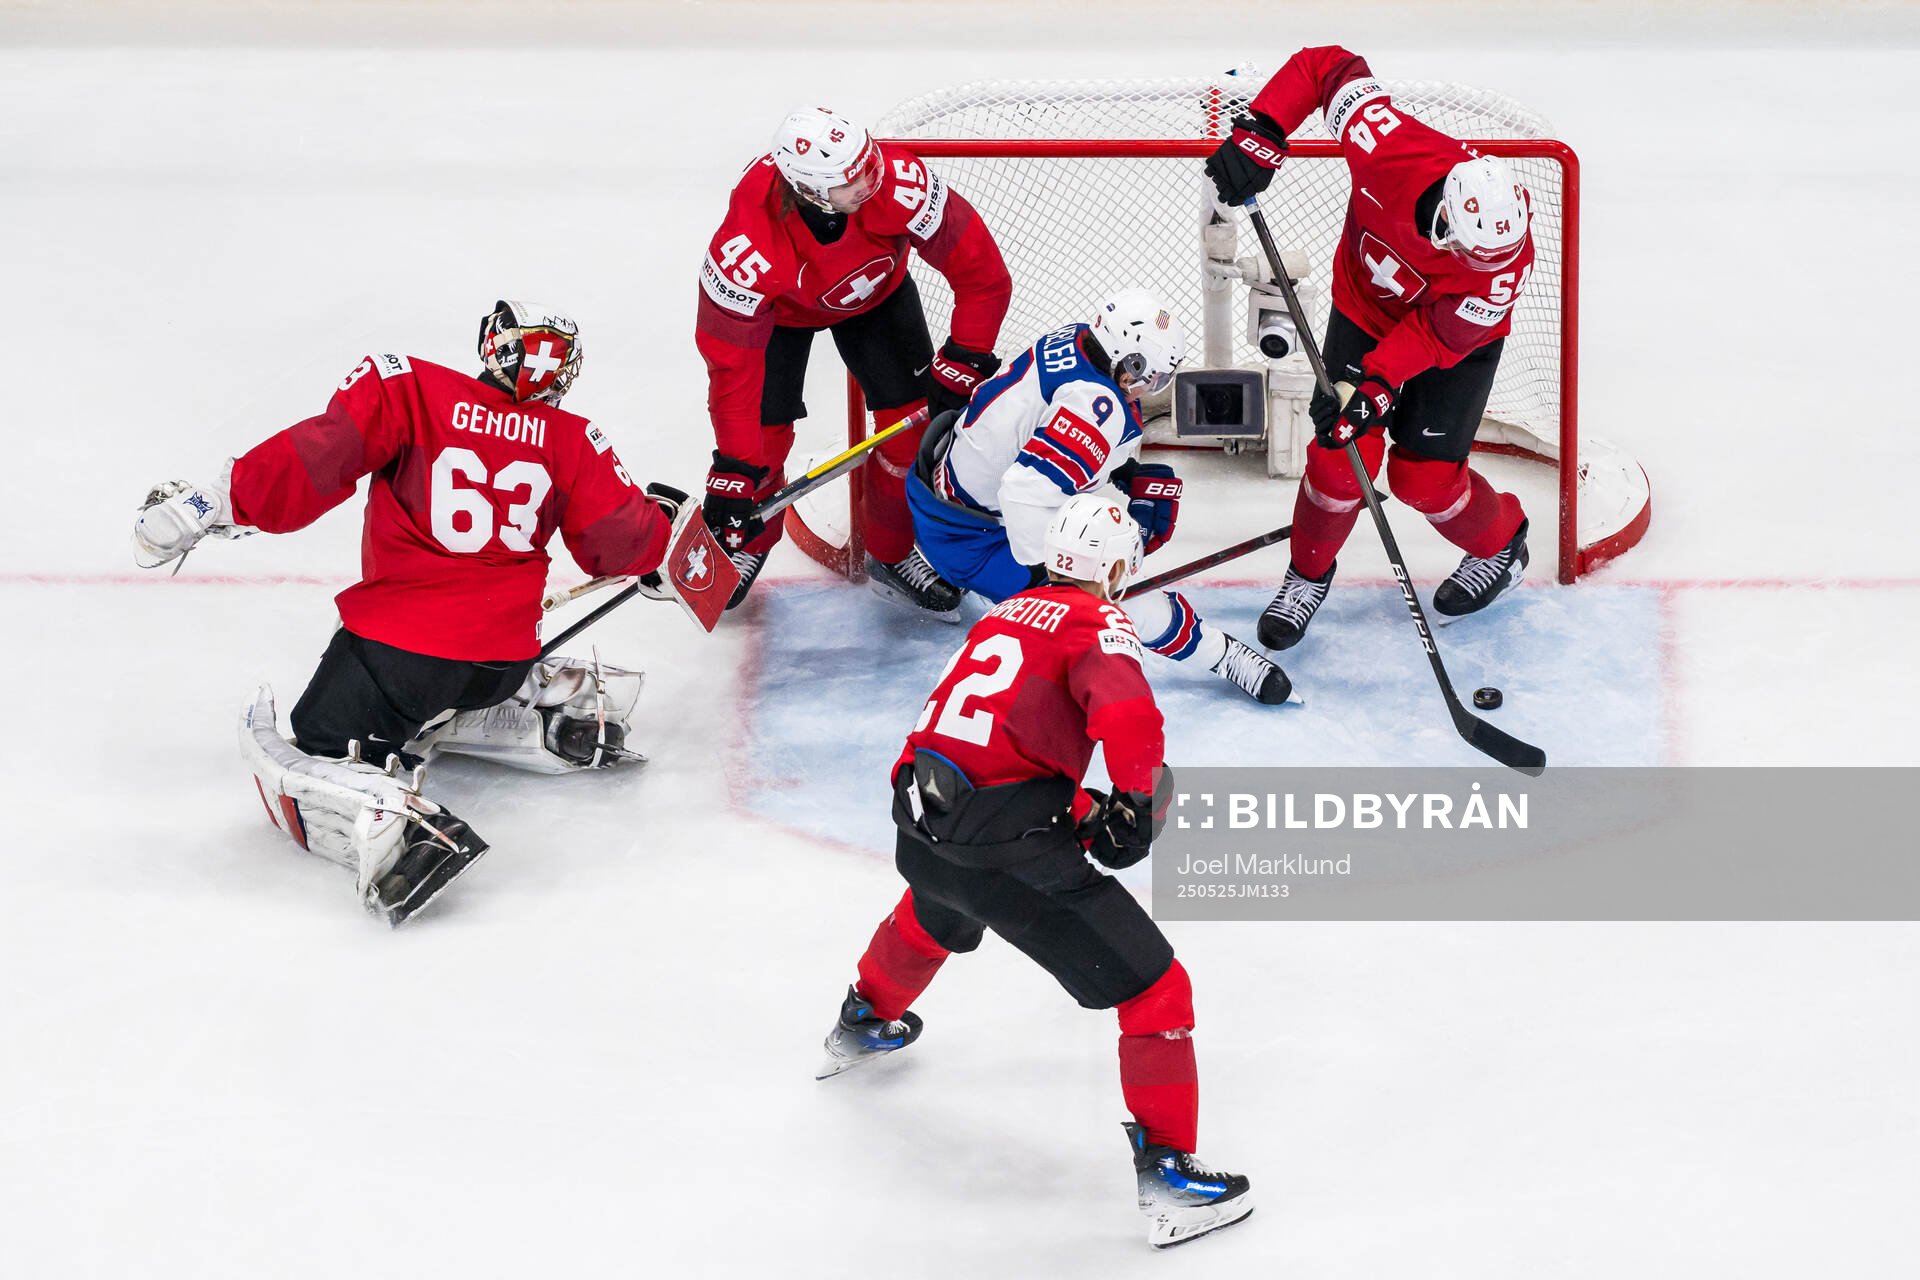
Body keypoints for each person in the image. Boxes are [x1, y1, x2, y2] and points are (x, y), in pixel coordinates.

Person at [132, 300, 684, 925]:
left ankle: (400, 825)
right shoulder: (573, 438)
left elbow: (320, 456)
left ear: (493, 346)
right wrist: (661, 524)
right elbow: (619, 546)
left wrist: (215, 501)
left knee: (323, 736)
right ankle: (528, 706)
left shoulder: (410, 389)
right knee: (439, 679)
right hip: (501, 659)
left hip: (399, 654)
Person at [815, 493, 1254, 1249]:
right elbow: (1132, 725)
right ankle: (1171, 1178)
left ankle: (862, 1020)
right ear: (1115, 570)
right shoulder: (1101, 622)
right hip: (1002, 853)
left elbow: (968, 732)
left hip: (920, 821)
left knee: (936, 905)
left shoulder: (1001, 616)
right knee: (1156, 989)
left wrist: (1076, 807)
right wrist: (1137, 811)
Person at [1205, 45, 1537, 647]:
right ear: (1443, 225)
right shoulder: (1390, 145)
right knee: (1338, 457)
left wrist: (1375, 385)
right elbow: (1326, 65)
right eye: (1465, 253)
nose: (1479, 265)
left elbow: (1438, 333)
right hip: (1365, 308)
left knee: (1423, 481)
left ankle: (1503, 545)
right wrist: (1265, 130)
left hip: (1455, 341)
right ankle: (1307, 573)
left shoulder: (1501, 266)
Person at [695, 105, 1013, 619]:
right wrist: (733, 469)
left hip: (878, 297)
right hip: (780, 317)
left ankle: (890, 553)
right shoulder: (745, 247)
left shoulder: (898, 182)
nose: (873, 180)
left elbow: (983, 274)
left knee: (910, 437)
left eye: (870, 164)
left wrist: (966, 355)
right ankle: (750, 540)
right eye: (853, 181)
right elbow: (730, 368)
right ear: (810, 191)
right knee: (760, 439)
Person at [907, 287, 1290, 703]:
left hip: (947, 491)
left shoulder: (1079, 339)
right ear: (1132, 361)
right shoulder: (1097, 403)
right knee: (1118, 596)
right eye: (1152, 376)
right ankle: (1224, 656)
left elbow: (1042, 443)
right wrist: (1060, 585)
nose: (1151, 387)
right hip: (973, 541)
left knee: (1098, 554)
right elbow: (1022, 494)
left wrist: (1125, 469)